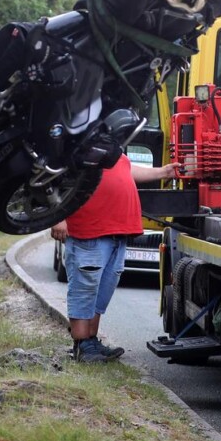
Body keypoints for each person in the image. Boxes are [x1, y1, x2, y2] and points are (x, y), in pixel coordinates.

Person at [50, 153, 179, 362]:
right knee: (85, 288)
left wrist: (163, 172)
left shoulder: (111, 149)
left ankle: (91, 341)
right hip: (89, 231)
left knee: (102, 290)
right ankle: (82, 344)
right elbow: (52, 180)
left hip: (117, 233)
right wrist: (57, 217)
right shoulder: (77, 145)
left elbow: (127, 170)